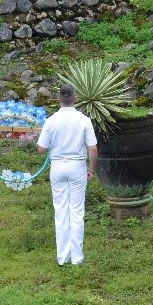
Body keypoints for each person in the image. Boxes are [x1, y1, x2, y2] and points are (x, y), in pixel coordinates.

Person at [37, 84, 98, 266]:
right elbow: (93, 148)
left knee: (61, 211)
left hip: (57, 166)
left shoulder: (51, 120)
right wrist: (92, 169)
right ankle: (77, 257)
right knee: (77, 211)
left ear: (58, 99)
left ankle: (62, 257)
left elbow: (41, 149)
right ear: (75, 98)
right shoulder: (84, 120)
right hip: (77, 165)